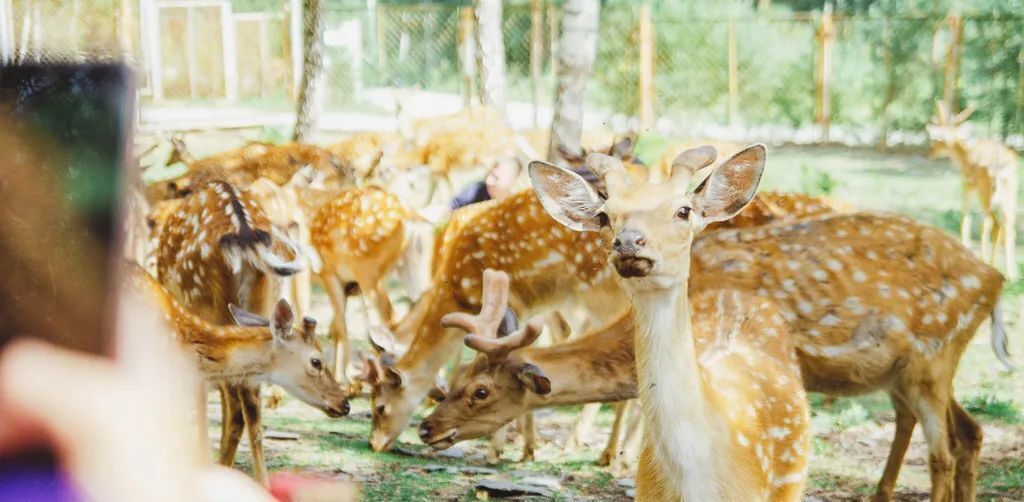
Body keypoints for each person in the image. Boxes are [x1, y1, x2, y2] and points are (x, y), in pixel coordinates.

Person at [449, 156, 522, 210]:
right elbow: (453, 205)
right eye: (491, 174)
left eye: (497, 178)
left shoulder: (511, 206)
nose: (489, 180)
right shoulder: (477, 190)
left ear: (511, 181)